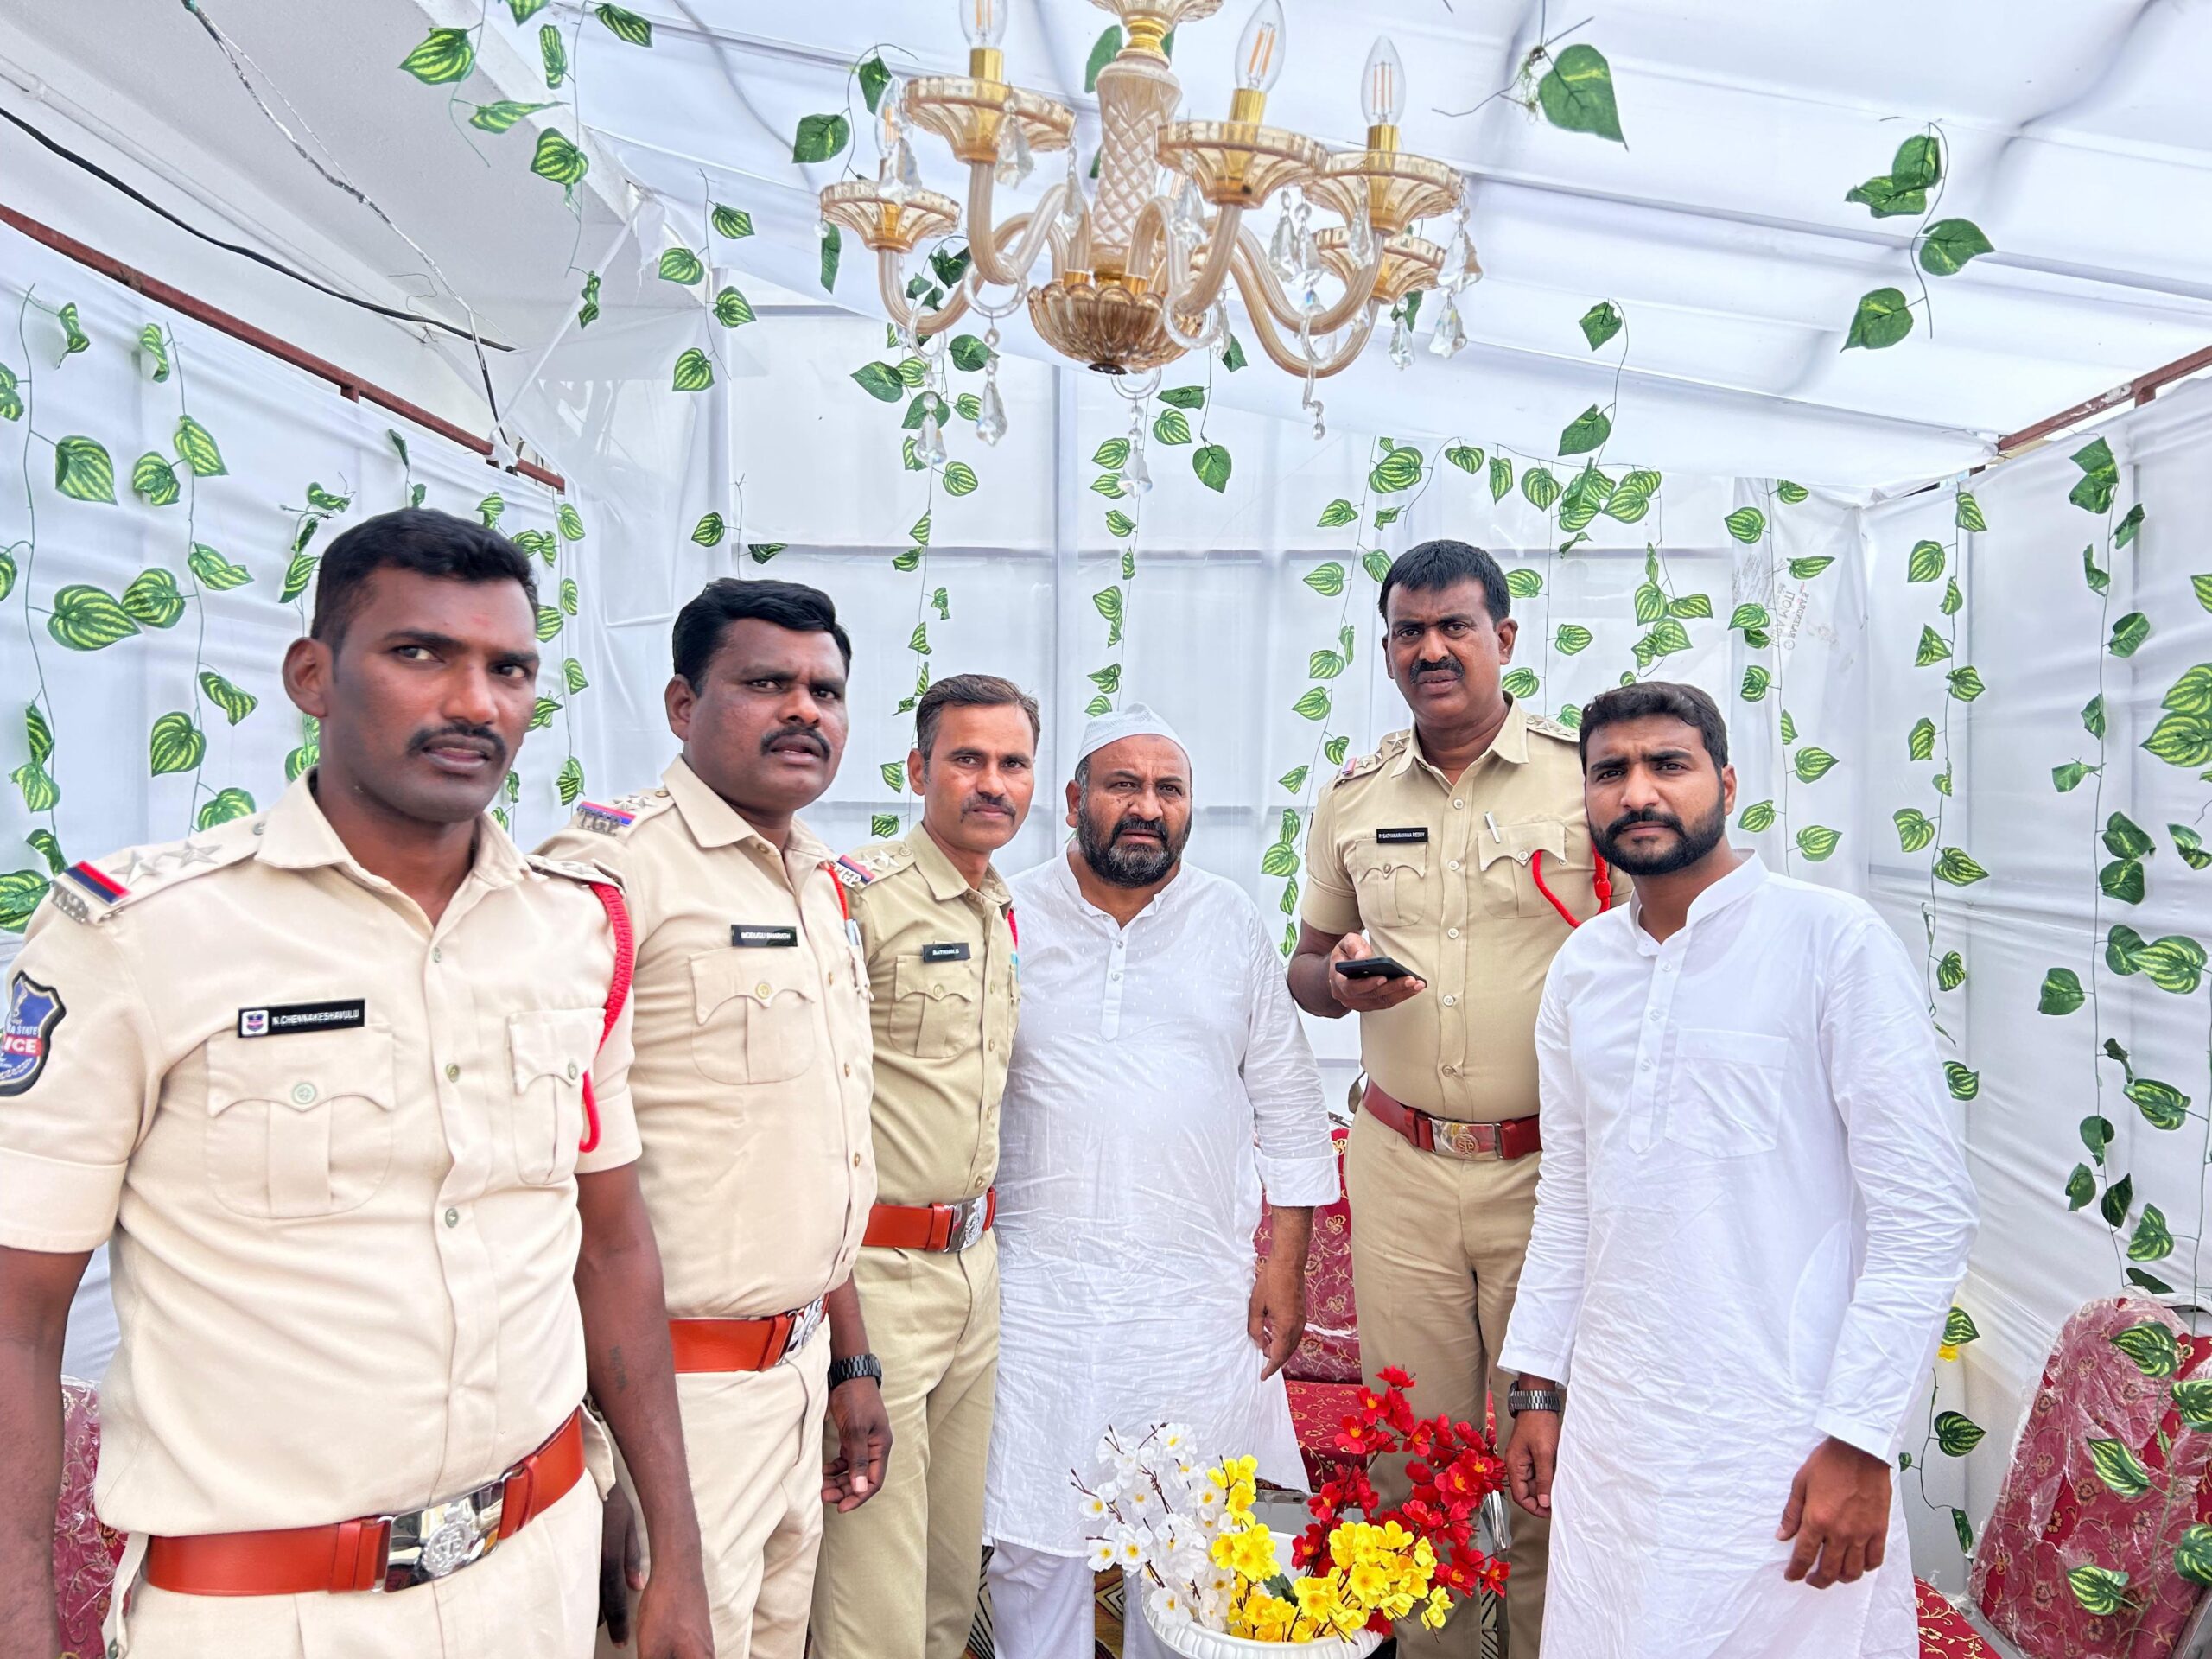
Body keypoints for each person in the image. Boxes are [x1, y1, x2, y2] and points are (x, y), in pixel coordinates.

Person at [0, 508, 710, 1659]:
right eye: (420, 653)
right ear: (313, 677)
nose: (476, 703)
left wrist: (676, 1549)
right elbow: (18, 1321)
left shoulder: (576, 933)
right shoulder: (145, 935)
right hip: (268, 1614)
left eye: (509, 669)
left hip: (538, 1569)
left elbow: (611, 1243)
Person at [1498, 682, 1976, 1659]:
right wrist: (1538, 1387)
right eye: (1610, 771)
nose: (1638, 792)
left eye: (1666, 765)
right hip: (1621, 1432)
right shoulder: (1583, 969)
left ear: (1724, 783)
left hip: (1782, 1435)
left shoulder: (1832, 941)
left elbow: (1924, 1214)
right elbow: (1571, 1195)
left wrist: (1860, 1438)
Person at [537, 578, 887, 1659]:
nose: (804, 710)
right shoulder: (610, 872)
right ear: (683, 705)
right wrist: (593, 1451)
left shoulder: (818, 880)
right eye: (767, 683)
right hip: (675, 1408)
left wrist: (849, 1365)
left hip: (795, 1380)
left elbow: (812, 1152)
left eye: (826, 690)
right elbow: (545, 1178)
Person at [1287, 539, 1604, 1656]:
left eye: (1453, 626)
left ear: (1502, 638)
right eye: (1408, 632)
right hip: (1404, 1167)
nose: (1430, 649)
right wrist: (1338, 985)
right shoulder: (1353, 796)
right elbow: (1305, 964)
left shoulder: (1584, 779)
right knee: (1413, 1460)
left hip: (1554, 1176)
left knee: (1555, 1454)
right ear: (1386, 651)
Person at [983, 704, 1340, 1659]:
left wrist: (1284, 1267)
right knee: (1033, 1536)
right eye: (1123, 785)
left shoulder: (1230, 922)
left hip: (1192, 1294)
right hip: (1038, 1292)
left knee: (1188, 1545)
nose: (1146, 806)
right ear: (1073, 801)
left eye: (1167, 789)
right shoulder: (1007, 914)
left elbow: (1290, 1108)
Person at [811, 674, 1037, 1659]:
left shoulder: (1000, 909)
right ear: (916, 769)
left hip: (973, 1268)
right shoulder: (858, 901)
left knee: (950, 1575)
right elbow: (813, 1121)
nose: (992, 783)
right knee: (874, 1590)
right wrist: (846, 1339)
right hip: (878, 1273)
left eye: (1013, 763)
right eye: (967, 759)